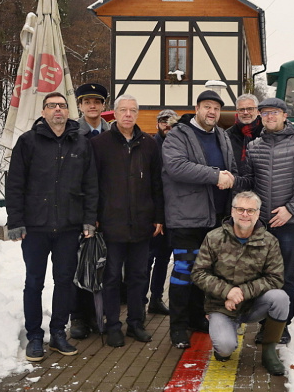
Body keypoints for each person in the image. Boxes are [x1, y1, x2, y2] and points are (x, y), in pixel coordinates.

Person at [5, 91, 98, 362]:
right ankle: (35, 336)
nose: (57, 110)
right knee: (33, 282)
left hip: (69, 227)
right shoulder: (28, 142)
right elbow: (15, 184)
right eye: (51, 106)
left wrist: (89, 219)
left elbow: (91, 186)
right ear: (44, 112)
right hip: (35, 227)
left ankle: (58, 332)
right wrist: (15, 221)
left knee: (64, 282)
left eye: (62, 106)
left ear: (68, 111)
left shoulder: (80, 143)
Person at [237, 97, 294, 344]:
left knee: (286, 277)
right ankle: (265, 324)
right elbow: (249, 181)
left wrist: (290, 210)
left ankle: (281, 325)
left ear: (285, 115)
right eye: (265, 113)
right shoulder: (254, 147)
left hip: (288, 224)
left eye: (274, 112)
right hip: (260, 225)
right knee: (261, 276)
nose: (269, 116)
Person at [162, 90, 237, 349]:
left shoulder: (222, 137)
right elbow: (177, 167)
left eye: (216, 108)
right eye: (207, 107)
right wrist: (216, 176)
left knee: (203, 273)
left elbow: (232, 171)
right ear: (197, 108)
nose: (212, 112)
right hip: (186, 218)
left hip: (214, 218)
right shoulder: (178, 135)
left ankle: (196, 318)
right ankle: (178, 327)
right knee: (184, 272)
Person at [91, 94, 164, 347]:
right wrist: (95, 217)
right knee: (111, 278)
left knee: (138, 276)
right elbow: (93, 185)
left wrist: (158, 217)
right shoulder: (100, 144)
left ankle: (136, 323)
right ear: (114, 112)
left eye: (133, 110)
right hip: (111, 224)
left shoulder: (150, 144)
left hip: (142, 224)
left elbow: (157, 183)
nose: (128, 115)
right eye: (123, 110)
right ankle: (113, 325)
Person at [191, 191, 289, 376]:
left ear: (258, 214)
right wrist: (227, 292)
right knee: (225, 348)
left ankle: (269, 351)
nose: (245, 214)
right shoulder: (214, 238)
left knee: (280, 298)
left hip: (253, 305)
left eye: (251, 210)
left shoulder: (269, 242)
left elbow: (275, 278)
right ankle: (224, 336)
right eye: (241, 209)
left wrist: (240, 292)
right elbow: (199, 273)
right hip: (221, 306)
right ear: (232, 211)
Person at [69, 82, 111, 340]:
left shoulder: (112, 133)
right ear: (81, 106)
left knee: (102, 266)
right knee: (79, 265)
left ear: (103, 105)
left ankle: (98, 316)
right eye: (87, 102)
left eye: (97, 101)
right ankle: (79, 317)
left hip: (107, 210)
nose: (92, 106)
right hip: (80, 210)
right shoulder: (73, 133)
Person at [146, 109, 179, 316]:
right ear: (157, 123)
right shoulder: (150, 146)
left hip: (172, 214)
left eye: (170, 122)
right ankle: (140, 300)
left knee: (164, 259)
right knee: (146, 259)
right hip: (152, 213)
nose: (166, 125)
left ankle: (156, 298)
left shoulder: (177, 145)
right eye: (163, 121)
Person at [226, 93, 262, 173]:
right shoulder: (227, 136)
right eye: (241, 109)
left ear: (258, 111)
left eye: (250, 109)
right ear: (237, 112)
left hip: (261, 182)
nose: (246, 112)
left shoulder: (266, 133)